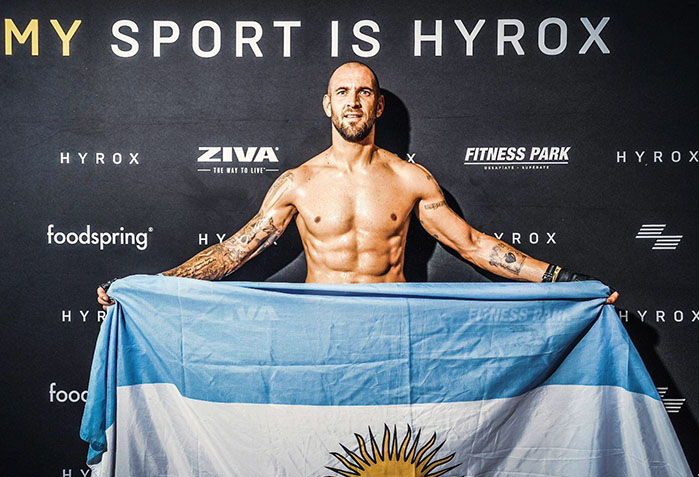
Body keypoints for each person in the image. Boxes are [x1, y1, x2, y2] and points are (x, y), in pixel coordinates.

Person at [98, 62, 618, 308]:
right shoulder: (298, 183)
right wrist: (151, 287)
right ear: (328, 105)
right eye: (342, 92)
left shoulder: (411, 179)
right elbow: (236, 251)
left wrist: (564, 279)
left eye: (364, 92)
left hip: (394, 323)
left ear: (378, 105)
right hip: (320, 325)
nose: (353, 101)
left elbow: (474, 245)